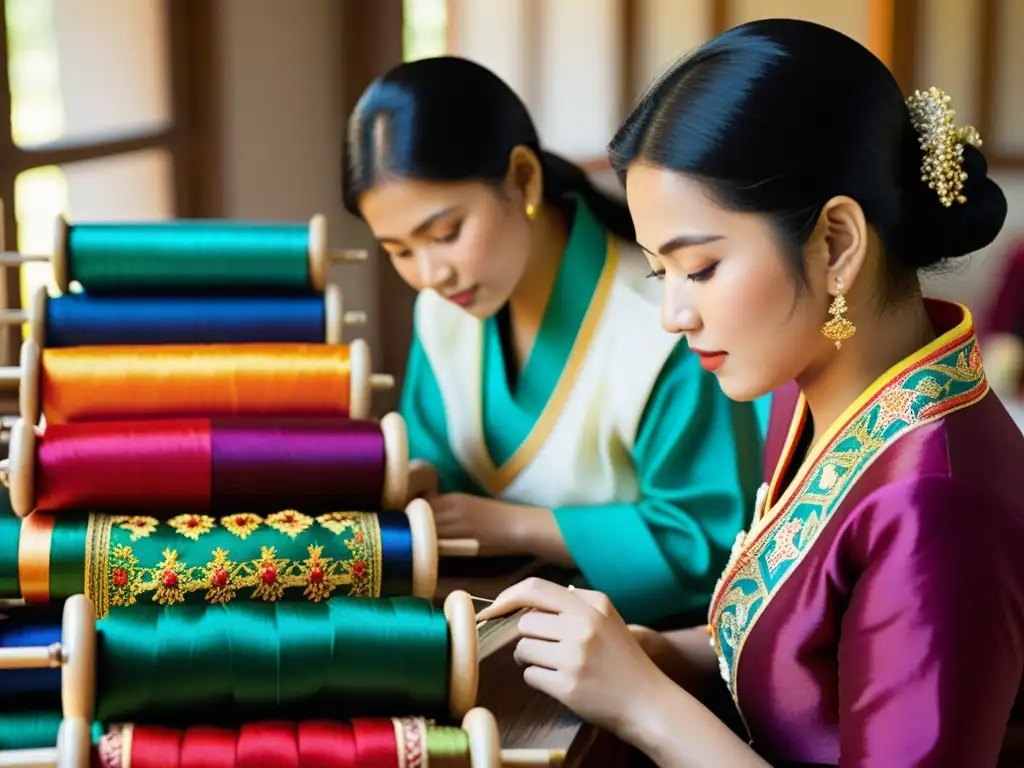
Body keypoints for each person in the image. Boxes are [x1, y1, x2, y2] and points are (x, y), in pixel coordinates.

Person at [477, 19, 1024, 767]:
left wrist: (646, 705)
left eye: (698, 268)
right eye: (658, 271)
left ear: (836, 244)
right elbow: (813, 650)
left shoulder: (933, 501)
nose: (674, 314)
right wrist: (645, 654)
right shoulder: (820, 391)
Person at [342, 57, 767, 625]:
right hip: (483, 618)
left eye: (445, 234)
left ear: (522, 178)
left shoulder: (664, 321)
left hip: (641, 647)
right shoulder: (440, 312)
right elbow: (436, 470)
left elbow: (703, 544)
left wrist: (517, 525)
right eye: (398, 250)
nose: (430, 273)